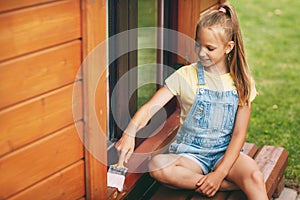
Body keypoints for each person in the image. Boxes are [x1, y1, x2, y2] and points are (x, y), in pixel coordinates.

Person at [115, 3, 268, 199]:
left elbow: (239, 134)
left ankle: (218, 180)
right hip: (190, 156)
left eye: (210, 48)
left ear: (228, 47)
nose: (202, 52)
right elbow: (149, 108)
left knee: (255, 176)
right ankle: (224, 185)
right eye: (198, 45)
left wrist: (220, 172)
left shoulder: (241, 82)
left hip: (226, 152)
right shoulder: (185, 75)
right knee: (158, 167)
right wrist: (129, 132)